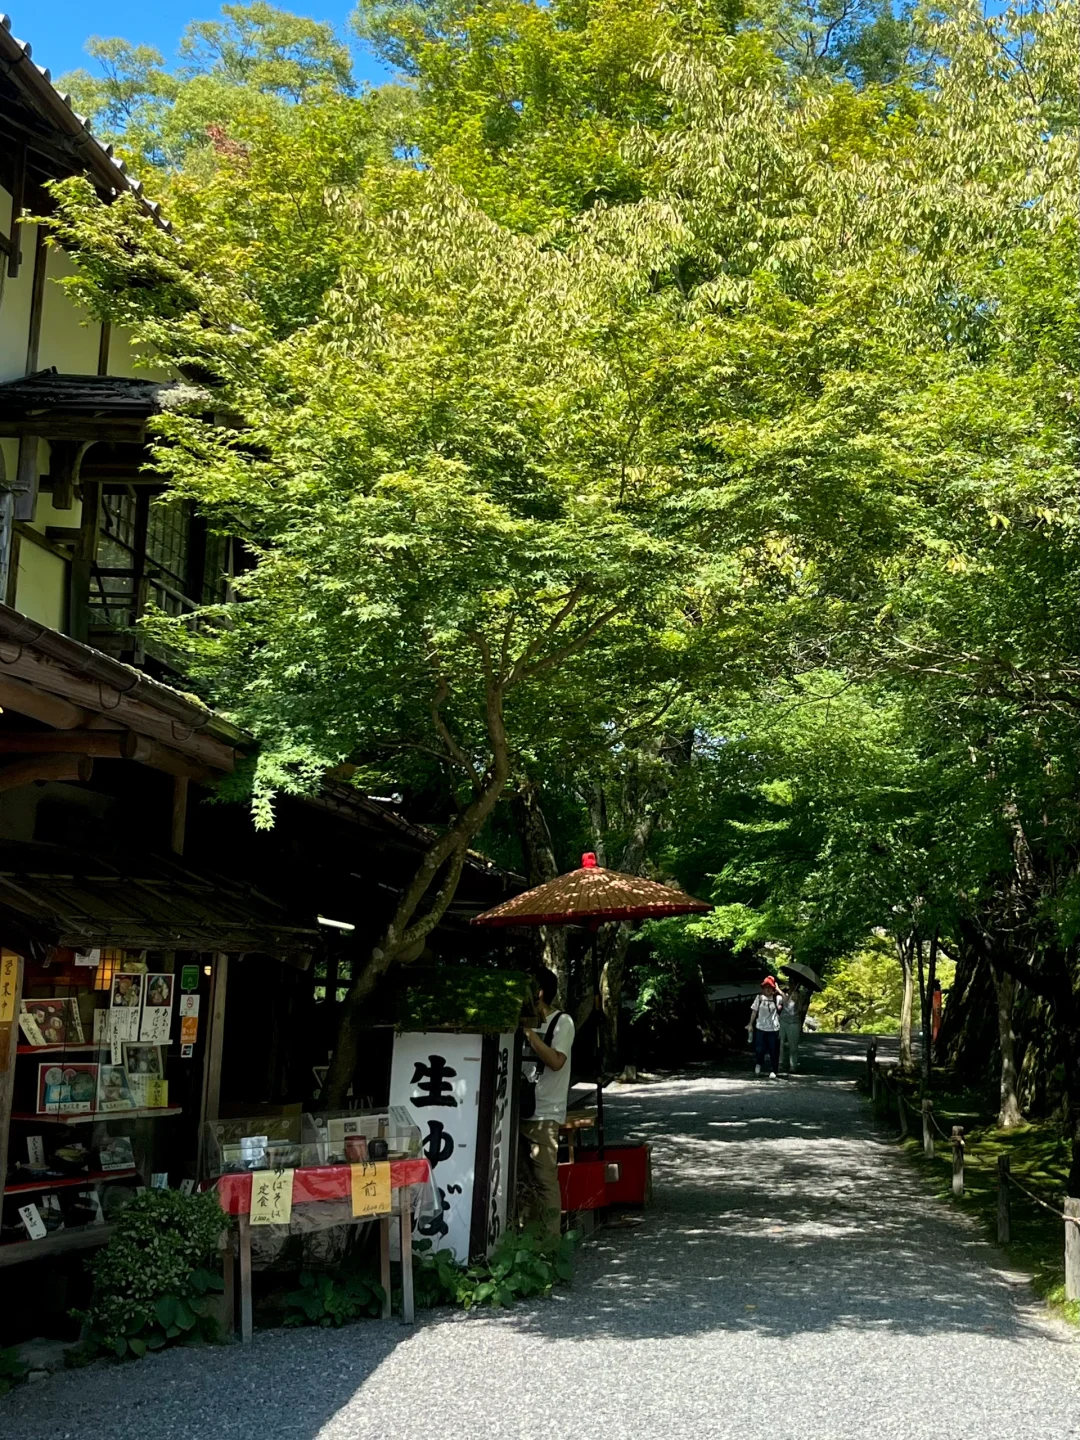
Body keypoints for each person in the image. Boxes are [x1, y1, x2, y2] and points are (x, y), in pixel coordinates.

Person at [520, 967, 575, 1245]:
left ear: (539, 993)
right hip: (519, 1110)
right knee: (522, 1181)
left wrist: (530, 1033)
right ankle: (527, 1240)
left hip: (545, 1112)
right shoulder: (519, 1021)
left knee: (544, 1180)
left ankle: (551, 1244)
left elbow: (556, 1061)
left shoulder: (562, 1022)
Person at [747, 976, 782, 1079]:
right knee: (759, 1049)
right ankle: (758, 1063)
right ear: (763, 988)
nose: (768, 989)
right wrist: (750, 1024)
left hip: (773, 1028)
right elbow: (754, 1012)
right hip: (760, 1027)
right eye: (766, 987)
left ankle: (773, 1070)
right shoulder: (759, 998)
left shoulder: (777, 998)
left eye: (770, 987)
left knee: (773, 1050)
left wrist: (779, 990)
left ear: (773, 988)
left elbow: (787, 1000)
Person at [778, 983, 803, 1074]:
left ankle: (793, 1065)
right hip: (782, 1021)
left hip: (793, 1023)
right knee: (779, 1044)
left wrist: (798, 999)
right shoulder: (786, 994)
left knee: (793, 1045)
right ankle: (779, 1063)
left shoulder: (799, 996)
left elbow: (799, 1009)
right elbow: (784, 1002)